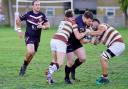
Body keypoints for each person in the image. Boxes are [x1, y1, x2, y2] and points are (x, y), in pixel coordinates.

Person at [45, 9, 88, 85]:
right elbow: (78, 36)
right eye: (73, 16)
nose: (74, 18)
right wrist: (86, 32)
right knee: (60, 62)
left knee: (54, 60)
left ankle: (49, 78)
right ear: (71, 17)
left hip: (53, 39)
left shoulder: (62, 21)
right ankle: (50, 72)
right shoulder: (73, 23)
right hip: (61, 40)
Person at [16, 0, 50, 76]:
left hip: (37, 38)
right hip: (29, 36)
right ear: (33, 6)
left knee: (32, 54)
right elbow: (18, 19)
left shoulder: (42, 15)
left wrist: (43, 26)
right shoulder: (28, 14)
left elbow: (48, 26)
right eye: (36, 4)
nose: (38, 6)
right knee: (30, 52)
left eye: (39, 4)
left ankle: (24, 67)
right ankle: (24, 67)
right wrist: (19, 30)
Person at [86, 19, 125, 84]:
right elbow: (96, 42)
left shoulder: (102, 25)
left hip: (118, 44)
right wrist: (86, 38)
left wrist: (87, 33)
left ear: (97, 22)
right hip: (117, 45)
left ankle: (105, 79)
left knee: (103, 58)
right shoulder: (98, 34)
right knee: (103, 58)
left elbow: (100, 32)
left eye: (93, 22)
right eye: (90, 24)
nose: (91, 24)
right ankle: (104, 78)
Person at [64, 11, 93, 84]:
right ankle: (66, 78)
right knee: (70, 62)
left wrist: (91, 34)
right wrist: (89, 38)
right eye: (89, 21)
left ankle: (73, 69)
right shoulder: (79, 23)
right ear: (85, 18)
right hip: (69, 42)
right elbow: (82, 40)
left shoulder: (84, 19)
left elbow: (88, 30)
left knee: (83, 58)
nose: (90, 23)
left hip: (77, 42)